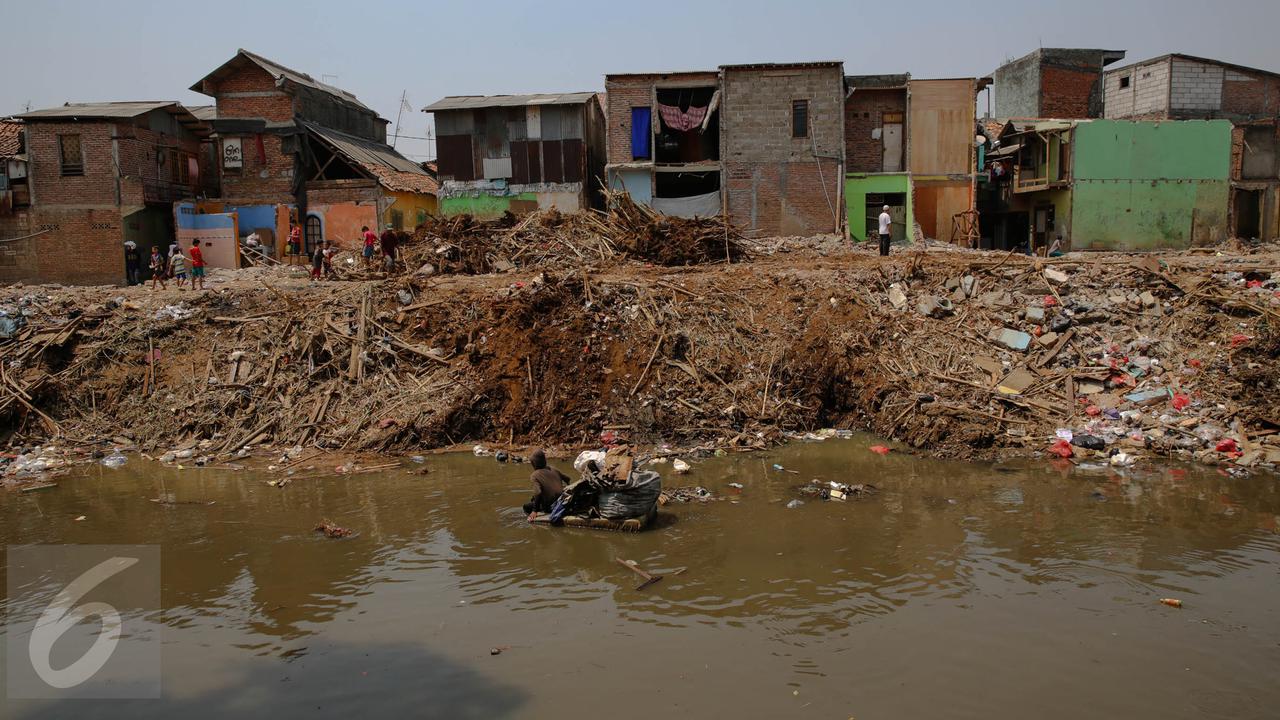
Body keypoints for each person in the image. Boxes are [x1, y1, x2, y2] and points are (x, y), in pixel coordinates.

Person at [523, 449, 570, 517]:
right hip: (562, 502)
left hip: (550, 507)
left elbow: (538, 492)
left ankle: (532, 520)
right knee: (533, 499)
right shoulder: (553, 469)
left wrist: (534, 511)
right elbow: (567, 479)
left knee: (526, 507)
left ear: (534, 463)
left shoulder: (534, 475)